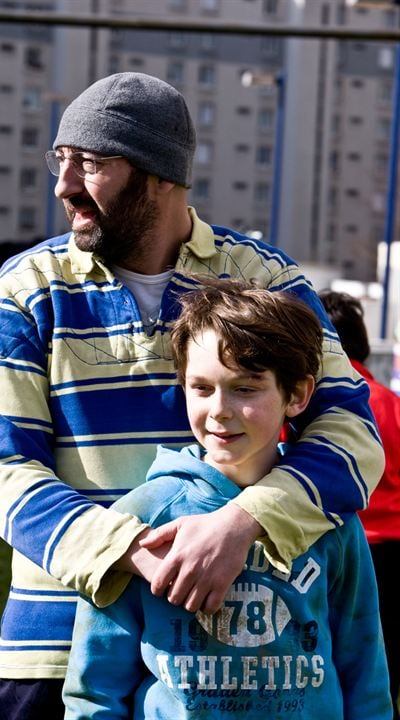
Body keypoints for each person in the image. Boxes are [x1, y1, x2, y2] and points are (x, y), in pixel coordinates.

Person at [0, 72, 384, 719]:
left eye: (92, 163)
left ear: (162, 176)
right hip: (56, 650)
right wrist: (139, 553)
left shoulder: (264, 277)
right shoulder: (27, 288)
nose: (64, 185)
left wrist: (241, 525)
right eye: (61, 160)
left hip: (251, 668)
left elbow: (355, 436)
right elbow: (3, 473)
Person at [63, 279, 392, 719]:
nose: (219, 410)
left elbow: (364, 670)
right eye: (201, 388)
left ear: (297, 395)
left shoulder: (330, 519)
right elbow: (94, 691)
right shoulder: (141, 516)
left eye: (245, 388)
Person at [319, 288, 400, 719]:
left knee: (334, 659)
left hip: (339, 553)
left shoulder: (308, 409)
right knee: (384, 670)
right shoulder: (392, 404)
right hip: (393, 552)